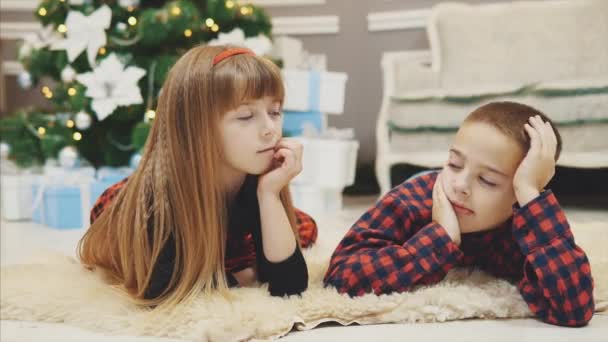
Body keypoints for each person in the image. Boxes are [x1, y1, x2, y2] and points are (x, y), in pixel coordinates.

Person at [78, 45, 318, 309]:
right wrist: (247, 275)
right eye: (246, 116)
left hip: (221, 230)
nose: (270, 130)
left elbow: (290, 285)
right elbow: (160, 289)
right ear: (196, 127)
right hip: (140, 215)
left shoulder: (253, 175)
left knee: (301, 227)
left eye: (274, 112)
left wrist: (269, 194)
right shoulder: (156, 202)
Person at [324, 101, 594, 326]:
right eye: (454, 163)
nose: (460, 185)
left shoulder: (528, 219)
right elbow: (340, 277)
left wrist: (528, 191)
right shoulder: (412, 200)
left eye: (487, 180)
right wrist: (439, 239)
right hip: (425, 188)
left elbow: (573, 307)